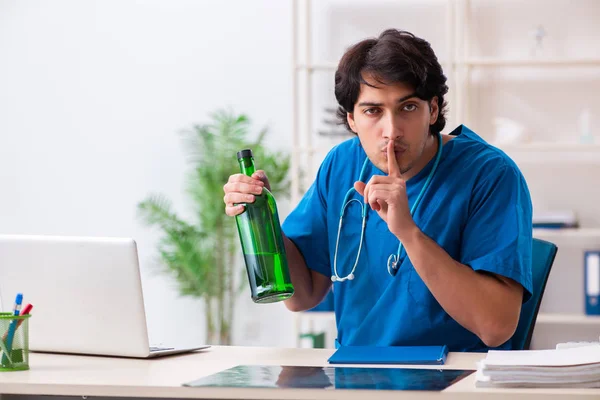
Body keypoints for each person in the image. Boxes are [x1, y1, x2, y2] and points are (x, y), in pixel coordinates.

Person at [223, 29, 532, 352]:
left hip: (453, 377)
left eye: (408, 108)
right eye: (373, 111)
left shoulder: (489, 174)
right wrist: (263, 216)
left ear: (434, 110)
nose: (392, 131)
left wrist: (408, 233)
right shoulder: (342, 163)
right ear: (351, 119)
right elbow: (302, 296)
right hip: (357, 374)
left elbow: (496, 327)